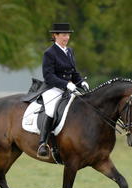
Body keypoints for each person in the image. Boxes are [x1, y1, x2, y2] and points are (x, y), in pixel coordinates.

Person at [37, 23, 89, 159]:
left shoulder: (69, 51)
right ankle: (43, 143)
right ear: (55, 36)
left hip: (69, 88)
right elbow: (48, 76)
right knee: (50, 110)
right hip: (52, 88)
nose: (67, 37)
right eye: (64, 35)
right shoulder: (49, 53)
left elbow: (73, 72)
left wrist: (81, 81)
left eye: (68, 35)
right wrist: (66, 84)